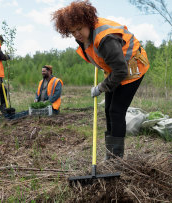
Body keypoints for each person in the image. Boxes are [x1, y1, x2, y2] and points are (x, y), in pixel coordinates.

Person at [52, 0, 150, 159]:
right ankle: (110, 154)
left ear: (87, 22)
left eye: (79, 29)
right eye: (72, 31)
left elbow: (120, 71)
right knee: (108, 110)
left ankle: (116, 159)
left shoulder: (106, 39)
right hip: (116, 69)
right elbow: (98, 56)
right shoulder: (83, 37)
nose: (77, 34)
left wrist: (101, 87)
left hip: (132, 67)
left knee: (116, 111)